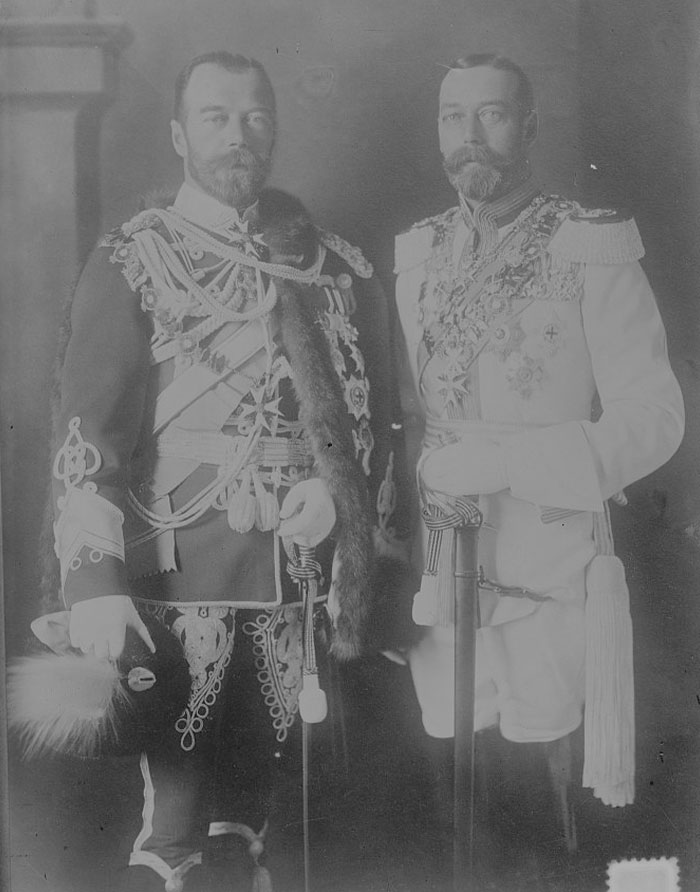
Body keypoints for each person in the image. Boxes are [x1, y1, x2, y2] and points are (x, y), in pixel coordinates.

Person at [41, 51, 405, 892]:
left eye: (254, 117)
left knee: (250, 803)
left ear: (272, 130)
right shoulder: (134, 258)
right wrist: (92, 580)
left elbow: (369, 414)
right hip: (177, 560)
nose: (237, 135)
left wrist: (333, 490)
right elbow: (85, 433)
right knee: (175, 812)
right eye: (215, 117)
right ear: (179, 134)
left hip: (293, 560)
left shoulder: (329, 264)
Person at [394, 53, 684, 819]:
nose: (471, 136)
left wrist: (512, 461)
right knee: (455, 792)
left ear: (528, 127)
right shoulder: (419, 255)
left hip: (550, 559)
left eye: (490, 114)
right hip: (441, 559)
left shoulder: (590, 244)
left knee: (543, 795)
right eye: (454, 117)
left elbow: (654, 418)